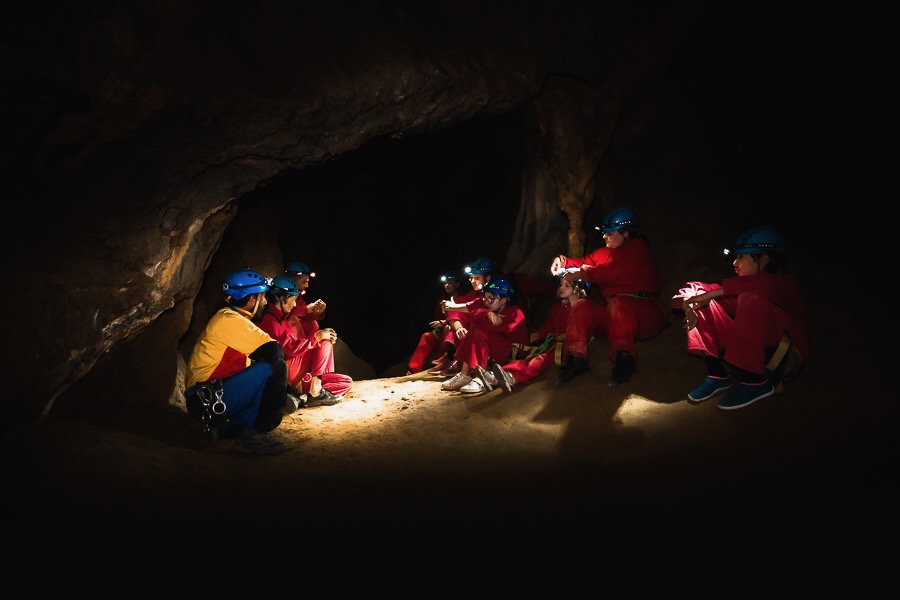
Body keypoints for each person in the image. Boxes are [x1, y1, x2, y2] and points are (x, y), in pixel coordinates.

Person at [676, 226, 808, 410]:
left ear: (763, 260)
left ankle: (756, 383)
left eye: (741, 257)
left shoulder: (783, 284)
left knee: (748, 298)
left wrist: (711, 294)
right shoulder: (746, 285)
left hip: (781, 358)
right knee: (702, 296)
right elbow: (718, 292)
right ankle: (718, 374)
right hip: (758, 348)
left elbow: (763, 287)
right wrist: (689, 298)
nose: (735, 263)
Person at [550, 206, 670, 387]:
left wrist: (582, 275)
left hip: (645, 314)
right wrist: (563, 261)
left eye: (610, 233)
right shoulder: (603, 253)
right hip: (616, 319)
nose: (605, 237)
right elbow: (584, 262)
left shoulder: (638, 247)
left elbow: (612, 272)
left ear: (626, 233)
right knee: (582, 306)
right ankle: (576, 359)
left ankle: (624, 359)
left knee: (618, 303)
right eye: (604, 233)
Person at [184, 269, 289, 455]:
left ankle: (235, 431)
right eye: (262, 296)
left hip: (210, 397)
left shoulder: (230, 318)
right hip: (206, 400)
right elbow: (275, 350)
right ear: (251, 300)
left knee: (264, 371)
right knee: (275, 368)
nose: (265, 301)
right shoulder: (228, 320)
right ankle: (252, 435)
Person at [483, 275, 589, 393]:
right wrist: (539, 334)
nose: (562, 288)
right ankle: (499, 376)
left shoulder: (581, 307)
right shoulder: (558, 308)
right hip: (553, 344)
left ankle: (513, 378)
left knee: (540, 360)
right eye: (561, 284)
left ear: (577, 289)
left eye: (567, 285)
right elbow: (549, 326)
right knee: (532, 358)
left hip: (568, 346)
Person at [258, 275, 351, 407]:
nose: (295, 304)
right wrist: (318, 337)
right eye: (293, 299)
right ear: (281, 298)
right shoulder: (269, 321)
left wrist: (321, 331)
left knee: (346, 382)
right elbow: (289, 348)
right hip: (286, 373)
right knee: (324, 343)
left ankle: (304, 397)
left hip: (300, 371)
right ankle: (315, 392)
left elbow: (307, 321)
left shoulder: (284, 316)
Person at [440, 278, 528, 394]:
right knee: (476, 329)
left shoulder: (515, 313)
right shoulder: (489, 308)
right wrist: (486, 313)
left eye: (491, 299)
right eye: (485, 298)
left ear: (504, 300)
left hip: (511, 352)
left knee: (478, 330)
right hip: (495, 350)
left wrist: (482, 315)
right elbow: (471, 316)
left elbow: (492, 327)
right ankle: (465, 374)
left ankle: (480, 377)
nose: (486, 302)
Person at [427, 256, 496, 376]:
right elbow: (461, 304)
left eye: (477, 278)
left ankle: (461, 363)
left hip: (491, 336)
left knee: (469, 324)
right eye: (471, 278)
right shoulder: (473, 293)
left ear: (488, 278)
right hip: (472, 333)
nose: (473, 281)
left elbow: (474, 308)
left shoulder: (494, 294)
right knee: (456, 324)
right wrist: (458, 326)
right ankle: (455, 359)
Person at [406, 271, 463, 375]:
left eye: (450, 283)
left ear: (457, 284)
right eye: (445, 283)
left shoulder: (463, 299)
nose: (446, 285)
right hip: (442, 332)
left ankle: (444, 361)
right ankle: (413, 370)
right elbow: (438, 318)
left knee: (447, 330)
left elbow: (464, 317)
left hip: (455, 331)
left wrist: (445, 323)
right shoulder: (442, 299)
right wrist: (440, 324)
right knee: (426, 336)